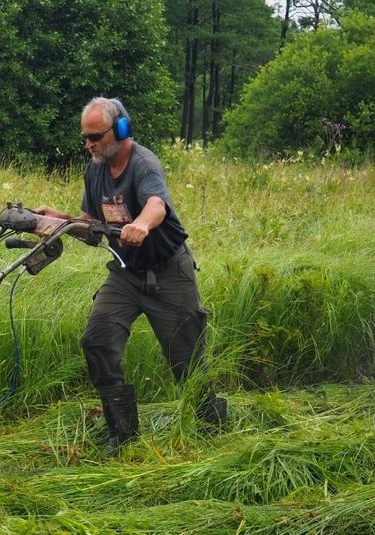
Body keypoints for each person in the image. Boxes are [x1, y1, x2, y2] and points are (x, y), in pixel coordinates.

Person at [35, 97, 226, 456]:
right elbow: (92, 226)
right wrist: (56, 222)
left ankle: (210, 429)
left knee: (188, 361)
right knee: (97, 340)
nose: (89, 144)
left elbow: (157, 204)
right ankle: (122, 433)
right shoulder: (94, 169)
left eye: (95, 136)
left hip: (169, 273)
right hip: (125, 274)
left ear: (121, 129)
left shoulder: (143, 164)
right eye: (86, 138)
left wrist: (140, 223)